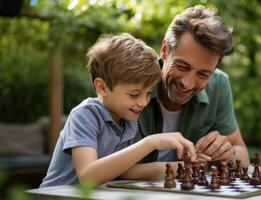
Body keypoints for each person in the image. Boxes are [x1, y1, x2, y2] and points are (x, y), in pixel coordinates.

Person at [40, 33, 196, 188]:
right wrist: (150, 142)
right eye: (134, 94)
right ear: (102, 87)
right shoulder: (85, 116)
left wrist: (183, 167)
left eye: (148, 93)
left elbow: (126, 172)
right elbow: (88, 177)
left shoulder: (128, 122)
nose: (143, 102)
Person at [134, 5, 249, 167]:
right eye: (182, 66)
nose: (187, 84)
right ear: (165, 50)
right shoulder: (131, 81)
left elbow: (242, 155)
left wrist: (228, 154)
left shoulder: (219, 84)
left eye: (203, 74)